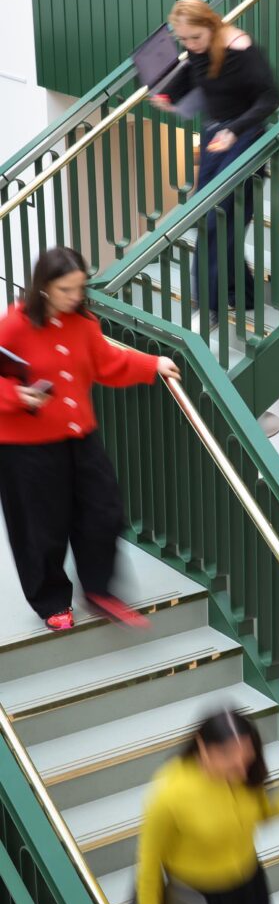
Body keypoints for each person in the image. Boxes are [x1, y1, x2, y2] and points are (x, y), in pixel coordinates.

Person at [0, 247, 180, 632]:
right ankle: (51, 602)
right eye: (67, 289)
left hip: (80, 436)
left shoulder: (84, 323)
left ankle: (99, 590)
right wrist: (18, 397)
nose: (75, 297)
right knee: (40, 526)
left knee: (104, 511)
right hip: (25, 447)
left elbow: (107, 363)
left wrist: (153, 365)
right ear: (44, 288)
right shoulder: (14, 325)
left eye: (80, 288)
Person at [136, 708, 279, 904]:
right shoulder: (170, 793)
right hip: (197, 902)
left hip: (249, 890)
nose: (241, 770)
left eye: (246, 758)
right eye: (230, 759)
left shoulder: (244, 774)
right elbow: (149, 860)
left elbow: (254, 815)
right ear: (203, 748)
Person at [151, 0, 279, 321]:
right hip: (214, 136)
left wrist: (235, 131)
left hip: (245, 136)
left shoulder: (240, 48)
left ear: (211, 26)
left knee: (215, 220)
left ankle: (207, 305)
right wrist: (170, 98)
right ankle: (245, 293)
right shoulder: (197, 51)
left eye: (195, 37)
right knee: (220, 220)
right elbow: (197, 81)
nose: (190, 45)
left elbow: (271, 97)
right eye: (183, 39)